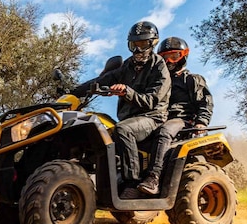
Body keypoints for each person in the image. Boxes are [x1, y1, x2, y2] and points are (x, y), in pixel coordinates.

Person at [71, 21, 171, 189]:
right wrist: (74, 93)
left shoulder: (160, 67)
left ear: (153, 42)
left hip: (152, 117)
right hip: (130, 118)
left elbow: (151, 102)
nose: (138, 50)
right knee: (97, 126)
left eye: (142, 44)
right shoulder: (128, 65)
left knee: (123, 129)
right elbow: (103, 80)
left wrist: (127, 92)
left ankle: (131, 183)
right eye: (134, 45)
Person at [137, 36, 214, 196]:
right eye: (165, 58)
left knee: (165, 131)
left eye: (174, 56)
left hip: (182, 120)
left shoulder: (192, 79)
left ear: (183, 56)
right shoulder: (160, 82)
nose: (170, 61)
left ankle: (153, 177)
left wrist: (201, 122)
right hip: (158, 118)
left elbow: (205, 102)